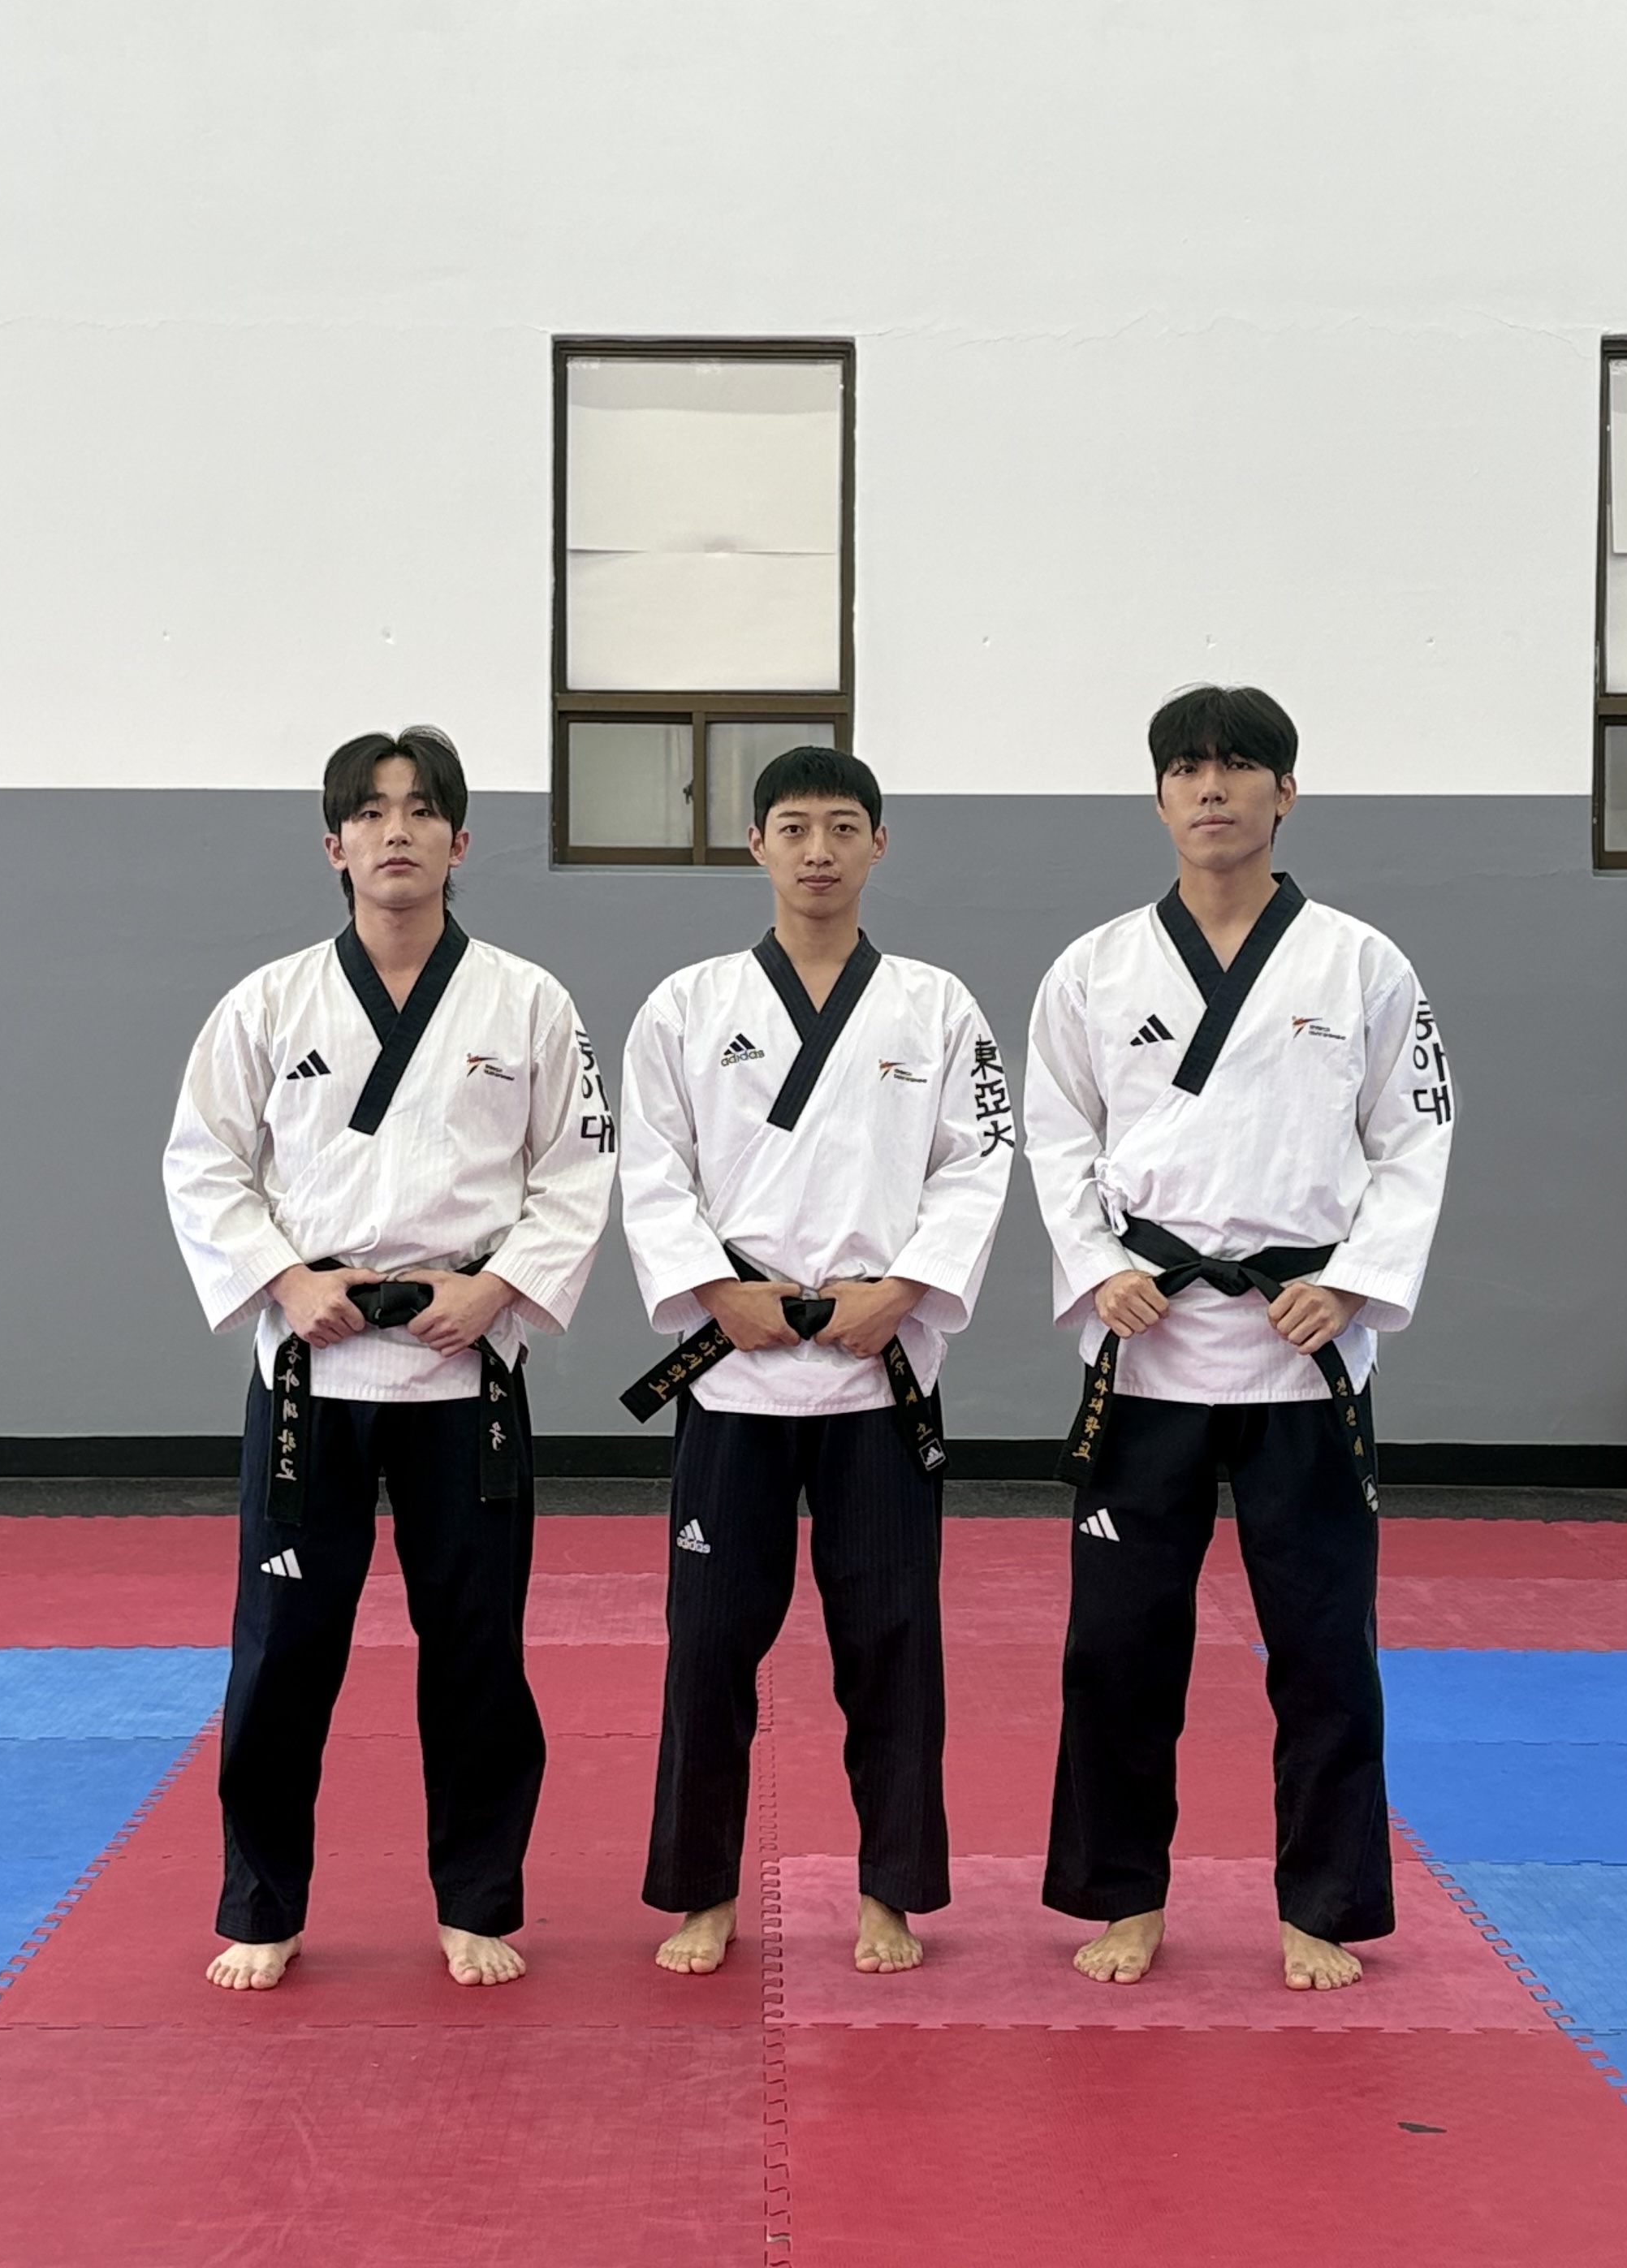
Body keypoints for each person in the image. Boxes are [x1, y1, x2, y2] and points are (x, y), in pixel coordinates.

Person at [163, 726, 615, 1992]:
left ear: (461, 842)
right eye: (370, 812)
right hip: (312, 1366)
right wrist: (284, 1280)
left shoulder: (528, 1002)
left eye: (421, 810)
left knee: (476, 1649)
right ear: (335, 845)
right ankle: (263, 1903)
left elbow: (579, 1167)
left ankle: (476, 1898)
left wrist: (498, 1288)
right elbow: (203, 1164)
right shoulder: (269, 1003)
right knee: (281, 1651)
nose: (396, 831)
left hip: (462, 1362)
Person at [1024, 685, 1454, 1993]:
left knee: (1324, 1647)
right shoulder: (1095, 968)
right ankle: (1122, 1896)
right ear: (1159, 797)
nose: (1212, 788)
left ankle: (1322, 1903)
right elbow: (1057, 1136)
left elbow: (1414, 1139)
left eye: (1238, 767)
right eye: (1188, 769)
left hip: (1303, 1346)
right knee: (1117, 1648)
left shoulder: (1362, 964)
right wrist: (1098, 1266)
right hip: (1149, 1344)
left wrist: (1357, 1284)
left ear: (1286, 792)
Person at [617, 747, 1012, 1977]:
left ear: (879, 844)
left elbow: (977, 1164)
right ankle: (701, 1891)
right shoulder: (686, 1005)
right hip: (735, 1366)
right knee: (708, 1644)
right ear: (756, 845)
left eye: (844, 827)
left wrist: (905, 1290)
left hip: (876, 1365)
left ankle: (891, 1892)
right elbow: (651, 1167)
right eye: (793, 827)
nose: (819, 851)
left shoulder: (938, 1008)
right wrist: (713, 1291)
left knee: (891, 1642)